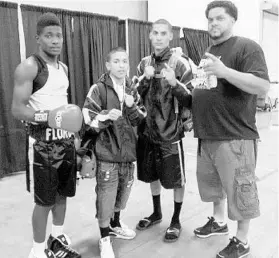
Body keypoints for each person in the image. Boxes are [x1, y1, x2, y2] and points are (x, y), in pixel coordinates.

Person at [191, 1, 270, 258]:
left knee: (240, 190)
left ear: (232, 20)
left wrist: (225, 71)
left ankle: (243, 240)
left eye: (220, 18)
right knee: (216, 188)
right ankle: (219, 221)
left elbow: (261, 86)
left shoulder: (247, 47)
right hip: (208, 135)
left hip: (234, 136)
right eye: (210, 19)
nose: (213, 23)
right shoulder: (209, 51)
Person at [11, 13, 81, 258]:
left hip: (65, 141)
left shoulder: (63, 67)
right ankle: (37, 250)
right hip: (42, 144)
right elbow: (17, 109)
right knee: (44, 201)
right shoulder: (30, 67)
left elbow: (63, 108)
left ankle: (57, 238)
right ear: (37, 38)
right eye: (49, 36)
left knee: (62, 195)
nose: (55, 41)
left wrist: (75, 137)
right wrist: (46, 116)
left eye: (59, 36)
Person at [82, 47, 147, 258]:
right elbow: (87, 118)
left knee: (122, 194)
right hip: (107, 154)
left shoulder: (132, 89)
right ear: (108, 65)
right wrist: (106, 115)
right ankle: (104, 238)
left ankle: (115, 224)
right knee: (106, 197)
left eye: (125, 61)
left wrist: (130, 107)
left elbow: (140, 118)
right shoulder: (98, 89)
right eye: (117, 61)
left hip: (128, 154)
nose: (122, 65)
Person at [135, 19, 193, 242]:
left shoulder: (180, 64)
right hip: (148, 132)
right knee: (152, 175)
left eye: (163, 34)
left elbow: (191, 100)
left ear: (170, 37)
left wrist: (175, 83)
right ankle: (157, 212)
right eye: (155, 33)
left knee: (176, 179)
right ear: (150, 36)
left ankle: (176, 219)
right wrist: (145, 80)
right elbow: (135, 95)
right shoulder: (143, 64)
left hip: (171, 133)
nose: (158, 37)